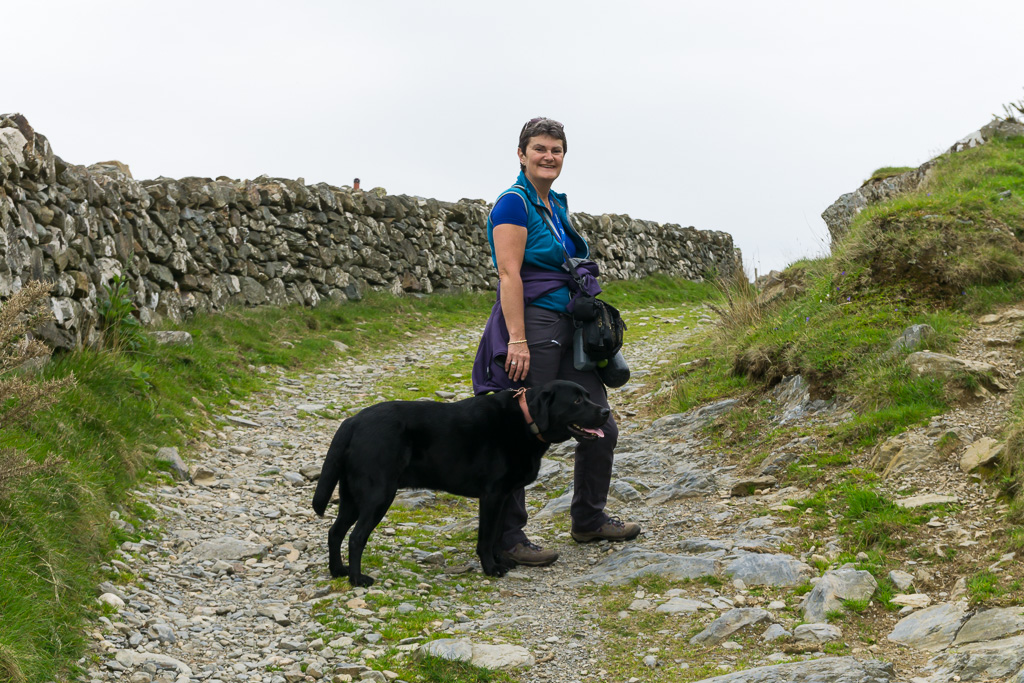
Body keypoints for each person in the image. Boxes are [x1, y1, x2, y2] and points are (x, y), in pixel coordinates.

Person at [471, 117, 641, 568]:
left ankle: (589, 518)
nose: (549, 156)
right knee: (517, 431)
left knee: (600, 422)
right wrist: (518, 341)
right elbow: (509, 274)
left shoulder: (554, 204)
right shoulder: (513, 204)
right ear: (522, 154)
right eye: (540, 149)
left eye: (556, 150)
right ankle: (507, 536)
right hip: (536, 326)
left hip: (571, 328)